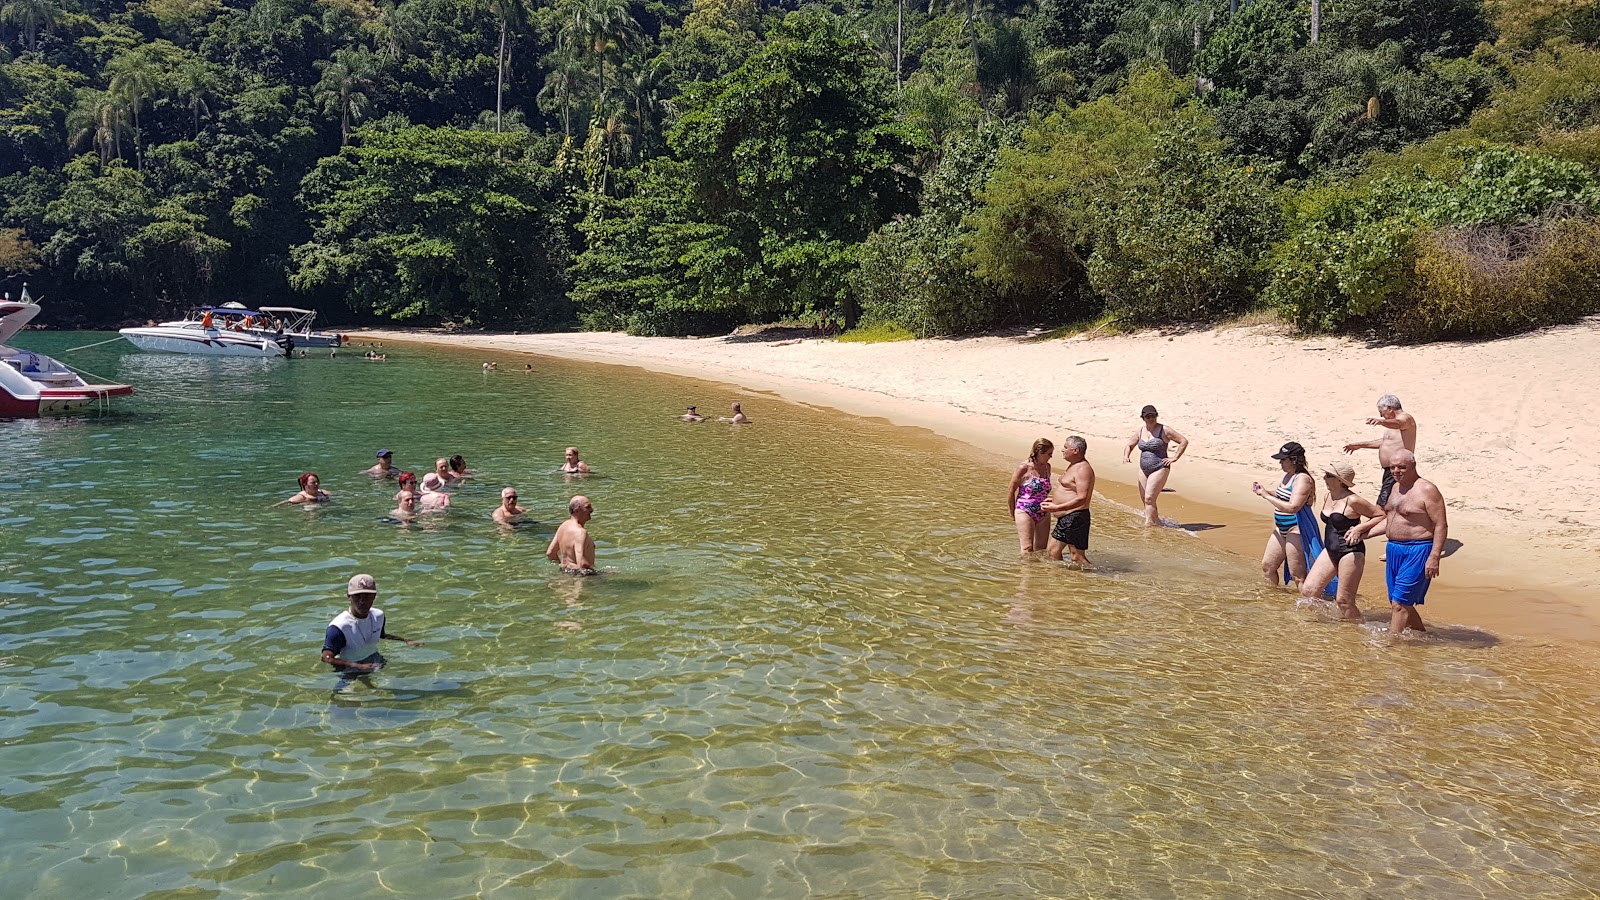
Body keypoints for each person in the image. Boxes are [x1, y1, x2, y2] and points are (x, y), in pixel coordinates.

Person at [1342, 450, 1447, 635]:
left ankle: (1391, 643)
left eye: (1401, 467)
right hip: (1393, 549)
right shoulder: (1394, 487)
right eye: (1393, 467)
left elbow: (1440, 525)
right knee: (1397, 601)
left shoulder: (1427, 490)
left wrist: (1434, 557)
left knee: (1400, 603)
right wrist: (1364, 532)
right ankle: (1422, 636)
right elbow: (1390, 521)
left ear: (1413, 466)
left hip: (1418, 550)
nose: (1396, 471)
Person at [1299, 459, 1386, 623]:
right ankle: (1325, 624)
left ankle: (1356, 630)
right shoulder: (1328, 496)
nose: (1324, 478)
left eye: (1329, 476)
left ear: (1340, 480)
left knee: (1344, 601)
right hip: (1330, 549)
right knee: (1309, 590)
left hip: (1351, 551)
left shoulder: (1353, 500)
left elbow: (1381, 515)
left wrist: (1360, 529)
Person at [321, 573, 422, 676]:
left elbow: (381, 634)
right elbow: (326, 658)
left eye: (367, 596)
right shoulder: (339, 627)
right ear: (349, 597)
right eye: (357, 596)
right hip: (349, 667)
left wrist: (405, 640)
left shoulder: (379, 616)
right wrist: (357, 666)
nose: (362, 600)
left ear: (374, 596)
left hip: (373, 658)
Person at [1252, 442, 1316, 589]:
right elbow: (1283, 496)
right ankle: (1272, 601)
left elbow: (1293, 506)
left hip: (1296, 528)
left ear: (1294, 460)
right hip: (1281, 528)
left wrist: (1266, 497)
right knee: (1268, 566)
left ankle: (1308, 607)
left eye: (1283, 459)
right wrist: (1266, 491)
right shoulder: (1288, 475)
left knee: (1298, 576)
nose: (1280, 463)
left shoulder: (1303, 479)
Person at [1342, 394, 1417, 507]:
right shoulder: (1391, 425)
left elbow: (1400, 423)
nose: (1381, 415)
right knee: (1392, 503)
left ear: (1390, 408)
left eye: (1381, 411)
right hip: (1390, 470)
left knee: (1382, 506)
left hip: (1399, 469)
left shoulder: (1406, 418)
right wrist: (1360, 445)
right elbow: (1386, 442)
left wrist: (1381, 421)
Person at [1123, 405, 1188, 527]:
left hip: (1160, 467)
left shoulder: (1164, 430)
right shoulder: (1141, 431)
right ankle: (1155, 522)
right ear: (1143, 418)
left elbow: (1183, 441)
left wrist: (1174, 457)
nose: (1151, 418)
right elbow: (1129, 445)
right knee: (1145, 499)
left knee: (1149, 498)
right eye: (1148, 416)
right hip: (1143, 469)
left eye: (1154, 415)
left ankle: (1150, 527)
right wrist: (1126, 455)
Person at [1044, 435, 1096, 567]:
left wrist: (1056, 508)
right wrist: (1055, 501)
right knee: (1053, 552)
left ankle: (1096, 578)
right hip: (1067, 517)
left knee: (1077, 557)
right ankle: (1062, 581)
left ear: (1075, 450)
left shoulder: (1083, 469)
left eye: (1066, 447)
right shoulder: (1073, 465)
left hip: (1075, 517)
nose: (1062, 450)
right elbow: (1070, 491)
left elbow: (1082, 498)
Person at [1007, 438, 1054, 554]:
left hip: (1043, 511)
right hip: (1025, 510)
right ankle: (1026, 572)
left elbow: (1044, 490)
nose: (1050, 457)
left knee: (1042, 550)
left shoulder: (1047, 467)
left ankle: (1039, 571)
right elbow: (1011, 490)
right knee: (1027, 549)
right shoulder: (1023, 468)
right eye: (1049, 454)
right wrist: (1012, 512)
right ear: (1040, 452)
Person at [547, 495, 597, 575]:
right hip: (580, 577)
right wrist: (599, 574)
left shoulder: (563, 526)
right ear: (576, 510)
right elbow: (581, 563)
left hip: (564, 573)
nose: (592, 510)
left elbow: (550, 553)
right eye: (588, 507)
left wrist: (563, 568)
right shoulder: (580, 532)